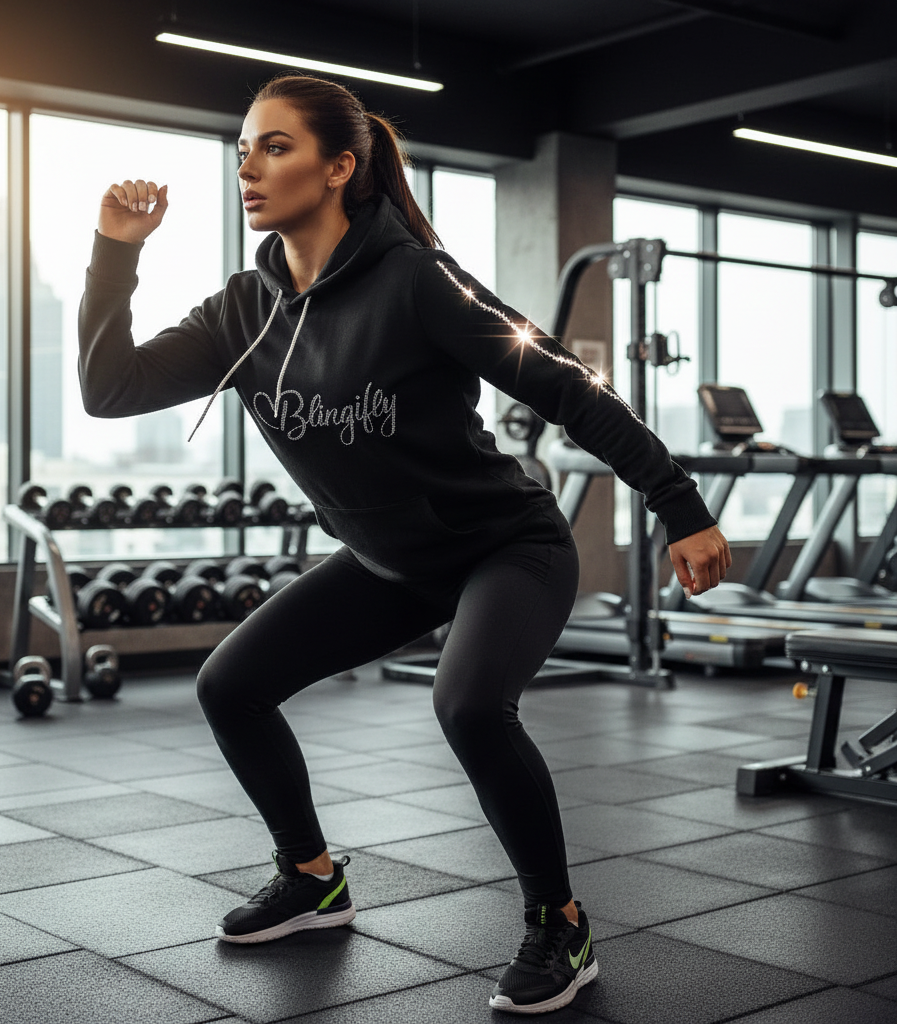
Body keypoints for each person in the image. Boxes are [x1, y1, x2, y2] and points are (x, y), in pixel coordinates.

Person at [78, 73, 731, 1015]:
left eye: (275, 147)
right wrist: (115, 252)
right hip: (392, 564)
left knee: (469, 706)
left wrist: (680, 505)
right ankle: (312, 879)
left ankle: (561, 923)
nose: (248, 169)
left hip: (507, 546)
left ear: (339, 168)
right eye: (243, 151)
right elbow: (110, 390)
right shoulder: (241, 311)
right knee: (230, 686)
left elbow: (564, 384)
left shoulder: (418, 279)